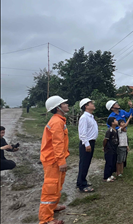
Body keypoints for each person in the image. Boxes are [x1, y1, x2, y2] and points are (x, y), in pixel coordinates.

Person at [38, 95, 70, 224]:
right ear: (58, 108)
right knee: (51, 188)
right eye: (64, 103)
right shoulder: (57, 122)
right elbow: (57, 144)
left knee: (57, 185)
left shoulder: (59, 120)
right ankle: (45, 219)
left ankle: (53, 206)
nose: (67, 105)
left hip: (54, 159)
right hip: (53, 161)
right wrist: (61, 161)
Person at [76, 98, 98, 193]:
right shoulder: (84, 117)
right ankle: (82, 185)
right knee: (84, 164)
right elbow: (82, 133)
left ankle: (81, 181)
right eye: (90, 103)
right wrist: (87, 144)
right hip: (86, 143)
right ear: (86, 106)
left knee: (86, 163)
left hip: (90, 142)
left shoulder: (90, 117)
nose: (93, 104)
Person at [103, 117, 119, 182]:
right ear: (112, 123)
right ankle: (106, 177)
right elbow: (105, 140)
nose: (117, 121)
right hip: (109, 149)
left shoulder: (116, 130)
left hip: (114, 148)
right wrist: (104, 147)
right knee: (109, 162)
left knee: (113, 162)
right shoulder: (109, 131)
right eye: (115, 120)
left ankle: (110, 174)